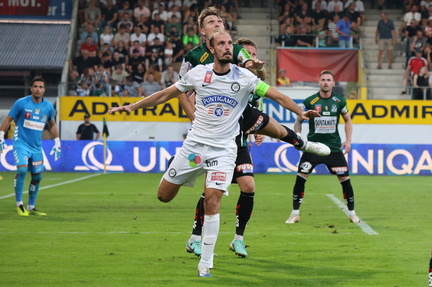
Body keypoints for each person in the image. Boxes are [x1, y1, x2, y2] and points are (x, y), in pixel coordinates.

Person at [108, 31, 322, 278]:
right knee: (163, 196)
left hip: (224, 150)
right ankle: (177, 173)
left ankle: (205, 263)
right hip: (194, 147)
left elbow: (278, 95)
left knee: (213, 200)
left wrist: (301, 112)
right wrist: (132, 106)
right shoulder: (198, 74)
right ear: (211, 47)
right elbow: (166, 94)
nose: (227, 47)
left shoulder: (244, 77)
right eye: (221, 43)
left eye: (230, 43)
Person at [179, 7, 330, 261]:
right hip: (214, 130)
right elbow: (182, 90)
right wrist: (195, 119)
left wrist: (253, 65)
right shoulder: (194, 57)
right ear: (202, 30)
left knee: (250, 180)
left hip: (239, 121)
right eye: (211, 22)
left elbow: (252, 76)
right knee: (211, 190)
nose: (216, 24)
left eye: (219, 21)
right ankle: (195, 237)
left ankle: (238, 238)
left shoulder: (233, 49)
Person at [285, 70, 360, 224]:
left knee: (345, 181)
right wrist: (298, 136)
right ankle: (295, 213)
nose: (326, 82)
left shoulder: (339, 101)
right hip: (313, 148)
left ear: (333, 83)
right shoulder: (310, 102)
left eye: (328, 80)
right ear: (319, 82)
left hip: (333, 149)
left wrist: (348, 141)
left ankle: (352, 213)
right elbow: (299, 120)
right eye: (323, 80)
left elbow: (348, 121)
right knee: (300, 179)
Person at [0, 77, 61, 216]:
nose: (38, 89)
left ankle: (31, 207)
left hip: (36, 147)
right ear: (31, 88)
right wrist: (1, 135)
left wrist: (57, 141)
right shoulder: (21, 103)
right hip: (21, 143)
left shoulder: (48, 107)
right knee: (22, 171)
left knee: (37, 177)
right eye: (35, 86)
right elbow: (8, 119)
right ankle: (19, 204)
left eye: (41, 87)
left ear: (44, 90)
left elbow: (52, 124)